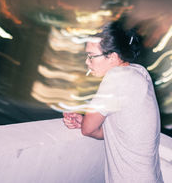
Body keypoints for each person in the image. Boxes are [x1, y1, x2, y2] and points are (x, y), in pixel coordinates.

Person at [63, 20, 163, 183]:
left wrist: (87, 122)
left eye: (91, 56)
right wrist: (86, 120)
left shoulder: (117, 78)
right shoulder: (139, 72)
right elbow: (119, 131)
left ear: (113, 57)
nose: (87, 62)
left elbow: (88, 129)